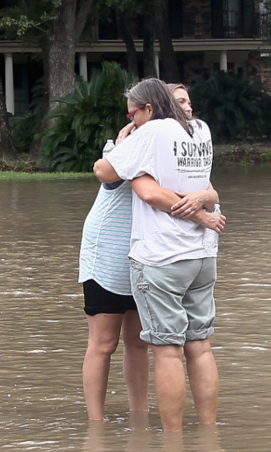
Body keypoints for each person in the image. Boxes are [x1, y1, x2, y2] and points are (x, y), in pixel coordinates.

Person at [79, 83, 219, 421]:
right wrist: (203, 213)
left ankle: (142, 421)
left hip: (155, 256)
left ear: (148, 108)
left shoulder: (188, 135)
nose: (186, 108)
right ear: (161, 106)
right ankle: (96, 425)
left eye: (189, 101)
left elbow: (209, 189)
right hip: (112, 253)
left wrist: (203, 200)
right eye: (178, 101)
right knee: (104, 343)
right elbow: (128, 182)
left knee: (144, 343)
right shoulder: (138, 141)